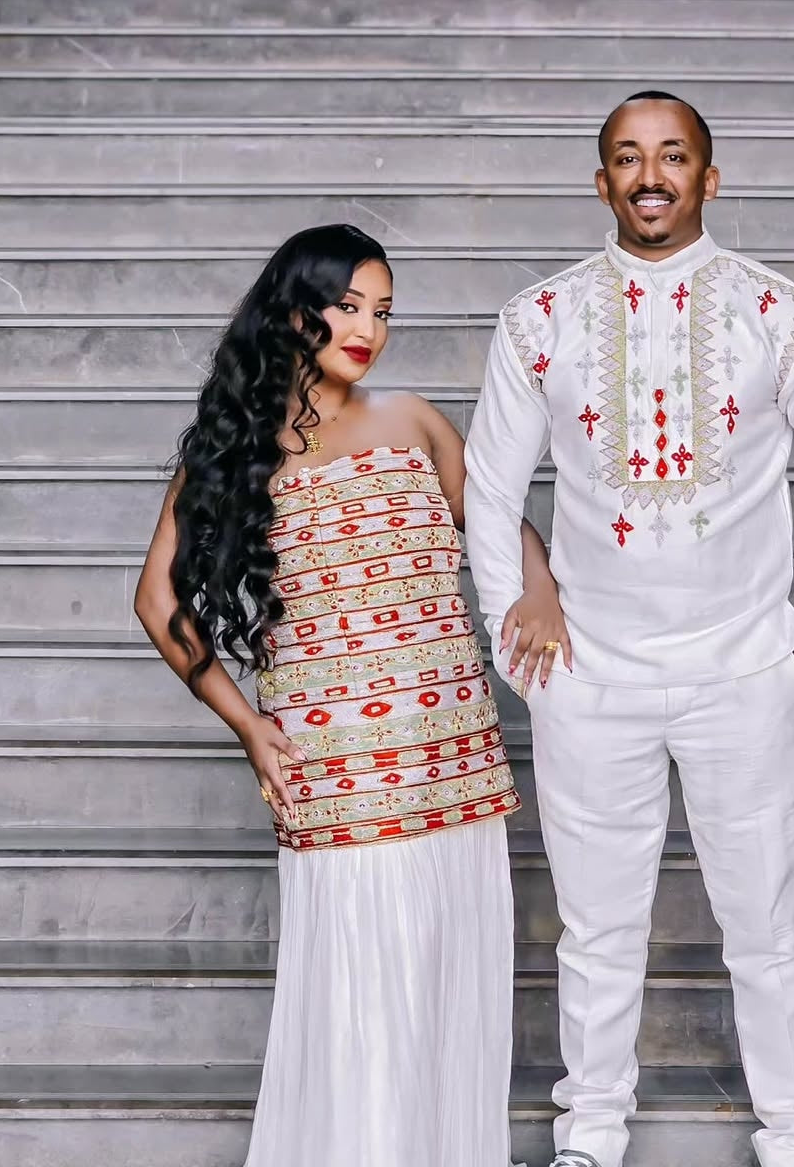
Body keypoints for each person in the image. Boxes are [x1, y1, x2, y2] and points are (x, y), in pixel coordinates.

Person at [464, 92, 794, 1167]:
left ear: (711, 175)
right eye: (626, 157)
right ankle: (592, 1133)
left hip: (745, 673)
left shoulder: (777, 315)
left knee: (766, 934)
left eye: (672, 157)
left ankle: (793, 1137)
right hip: (589, 679)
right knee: (598, 932)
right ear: (599, 179)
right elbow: (483, 489)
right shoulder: (539, 320)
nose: (649, 175)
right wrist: (518, 635)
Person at [134, 224, 566, 1167]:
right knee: (366, 1010)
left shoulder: (411, 418)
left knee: (450, 996)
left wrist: (537, 587)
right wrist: (249, 726)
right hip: (338, 776)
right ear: (298, 311)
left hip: (453, 762)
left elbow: (496, 524)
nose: (369, 328)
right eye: (350, 305)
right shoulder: (237, 451)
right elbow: (156, 598)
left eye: (384, 310)